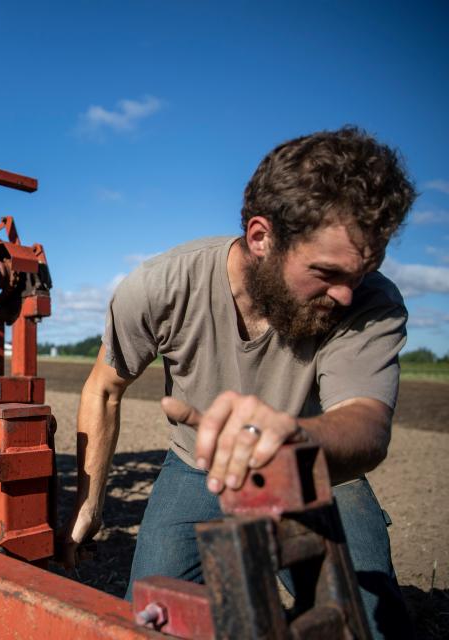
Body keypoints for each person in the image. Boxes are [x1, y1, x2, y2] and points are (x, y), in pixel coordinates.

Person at [62, 126, 416, 639]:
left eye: (359, 274)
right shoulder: (162, 285)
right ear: (260, 237)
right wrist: (90, 503)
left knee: (369, 626)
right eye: (326, 272)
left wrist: (292, 441)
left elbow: (366, 422)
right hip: (196, 466)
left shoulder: (370, 302)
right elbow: (104, 388)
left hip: (319, 473)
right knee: (149, 619)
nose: (344, 294)